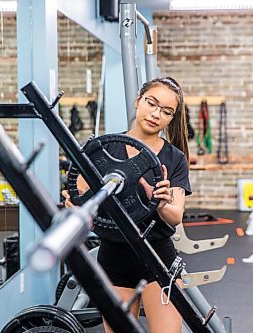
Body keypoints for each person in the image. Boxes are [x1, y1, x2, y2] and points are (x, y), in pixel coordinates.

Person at [62, 76, 191, 333]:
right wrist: (76, 208)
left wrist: (160, 201)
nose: (156, 114)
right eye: (151, 104)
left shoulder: (174, 158)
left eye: (166, 112)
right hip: (114, 256)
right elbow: (85, 201)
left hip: (157, 258)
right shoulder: (103, 151)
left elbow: (175, 217)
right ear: (137, 101)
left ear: (171, 118)